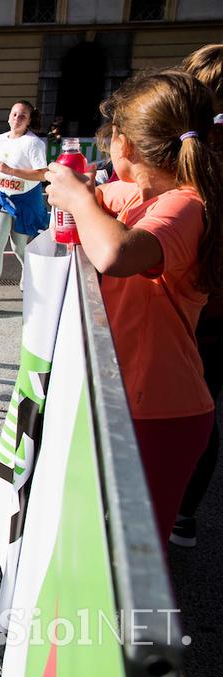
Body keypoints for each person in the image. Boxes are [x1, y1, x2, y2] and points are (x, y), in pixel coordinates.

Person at [45, 69, 222, 546]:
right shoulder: (148, 197)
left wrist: (80, 198)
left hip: (164, 411)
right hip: (133, 403)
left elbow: (116, 254)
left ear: (125, 144)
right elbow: (108, 199)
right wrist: (82, 194)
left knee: (136, 559)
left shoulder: (185, 206)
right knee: (103, 550)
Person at [171, 44, 223, 547]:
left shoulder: (197, 154)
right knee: (204, 404)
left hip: (199, 301)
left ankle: (172, 512)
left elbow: (126, 253)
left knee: (189, 404)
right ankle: (183, 514)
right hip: (208, 299)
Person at [0, 100, 49, 313]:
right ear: (9, 116)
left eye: (22, 116)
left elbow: (42, 174)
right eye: (14, 114)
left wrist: (12, 171)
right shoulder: (0, 139)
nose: (17, 119)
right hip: (1, 197)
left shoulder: (33, 143)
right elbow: (0, 165)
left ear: (28, 121)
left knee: (19, 247)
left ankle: (30, 275)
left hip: (26, 199)